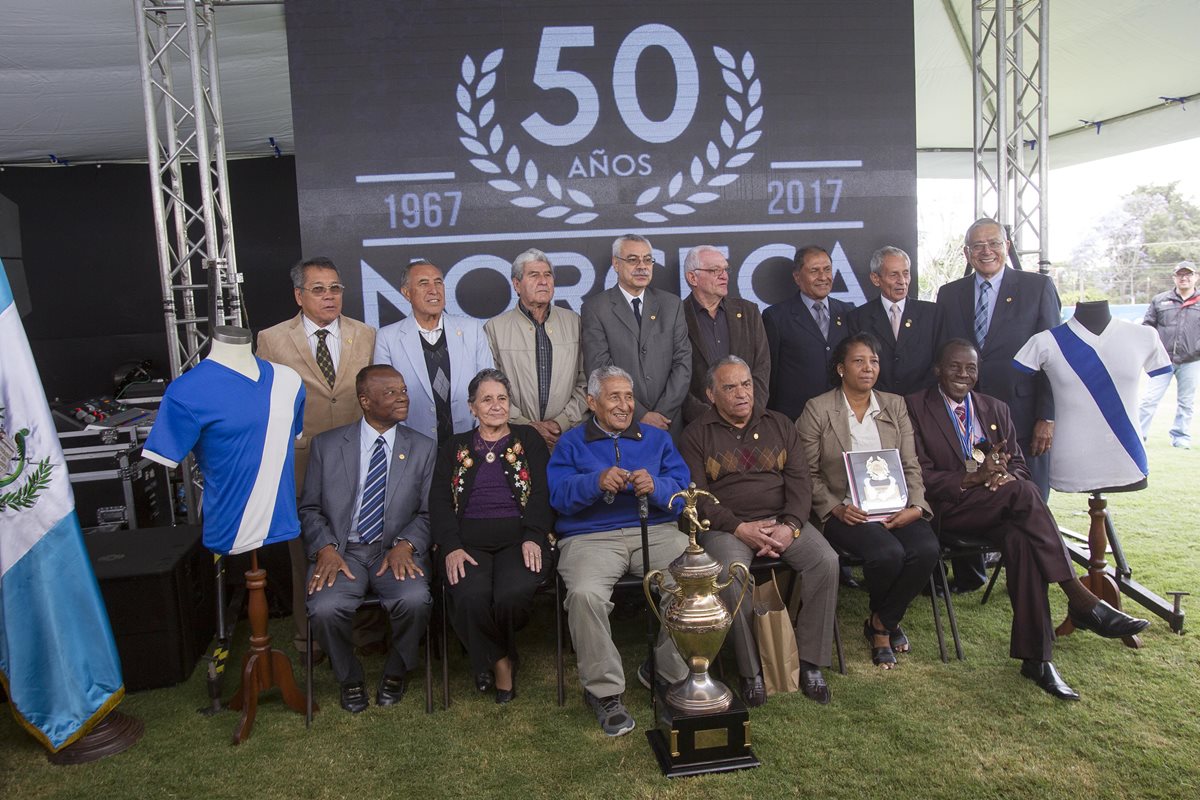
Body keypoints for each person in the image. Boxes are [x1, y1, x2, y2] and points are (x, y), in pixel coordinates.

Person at [907, 340, 1150, 700]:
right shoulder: (914, 408)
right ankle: (1081, 600)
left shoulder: (995, 409)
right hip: (951, 510)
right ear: (938, 370)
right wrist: (974, 478)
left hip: (1001, 505)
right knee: (1025, 495)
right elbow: (917, 474)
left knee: (1023, 534)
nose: (963, 374)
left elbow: (1019, 464)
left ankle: (1037, 659)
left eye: (971, 368)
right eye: (955, 367)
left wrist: (1006, 477)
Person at [678, 356, 839, 705]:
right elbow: (699, 499)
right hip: (728, 528)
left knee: (825, 560)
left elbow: (801, 485)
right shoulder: (695, 435)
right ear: (711, 394)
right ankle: (750, 672)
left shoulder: (780, 424)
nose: (742, 393)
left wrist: (791, 526)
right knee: (731, 573)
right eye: (730, 387)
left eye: (746, 384)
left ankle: (811, 664)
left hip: (782, 520)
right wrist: (739, 527)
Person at [547, 366, 690, 737]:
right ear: (592, 401)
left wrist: (656, 486)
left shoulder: (657, 440)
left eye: (629, 396)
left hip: (654, 529)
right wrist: (593, 482)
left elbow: (681, 494)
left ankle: (666, 672)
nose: (625, 405)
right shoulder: (572, 442)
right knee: (584, 595)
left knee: (693, 584)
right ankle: (605, 692)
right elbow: (558, 496)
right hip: (589, 537)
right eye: (615, 396)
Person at [255, 256, 378, 660]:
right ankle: (307, 639)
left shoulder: (365, 334)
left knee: (358, 542)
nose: (329, 296)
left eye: (336, 288)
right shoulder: (271, 339)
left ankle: (362, 632)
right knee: (305, 552)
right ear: (299, 294)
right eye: (319, 289)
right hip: (302, 463)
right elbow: (266, 406)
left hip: (358, 459)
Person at [300, 365, 437, 713]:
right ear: (365, 400)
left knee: (415, 600)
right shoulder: (327, 446)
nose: (403, 396)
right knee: (325, 608)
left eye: (403, 389)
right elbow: (310, 508)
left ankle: (396, 671)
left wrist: (406, 544)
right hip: (343, 552)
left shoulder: (423, 448)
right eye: (390, 392)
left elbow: (429, 512)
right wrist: (326, 549)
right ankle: (349, 678)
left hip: (395, 551)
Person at [796, 333, 938, 669]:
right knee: (887, 553)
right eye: (859, 361)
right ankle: (884, 631)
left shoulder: (894, 404)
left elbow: (910, 464)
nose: (868, 368)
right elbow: (806, 472)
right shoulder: (818, 408)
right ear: (841, 368)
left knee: (927, 549)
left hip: (895, 505)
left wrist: (916, 507)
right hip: (846, 510)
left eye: (873, 361)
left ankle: (881, 621)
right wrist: (835, 508)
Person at [935, 218, 1060, 591]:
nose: (986, 251)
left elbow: (1054, 358)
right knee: (970, 484)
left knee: (1026, 490)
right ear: (966, 253)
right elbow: (944, 355)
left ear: (1007, 245)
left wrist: (1047, 416)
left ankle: (1033, 573)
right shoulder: (950, 293)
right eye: (977, 245)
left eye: (993, 243)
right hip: (965, 412)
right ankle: (970, 574)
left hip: (1021, 413)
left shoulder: (1037, 288)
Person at [430, 368, 552, 704]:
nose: (496, 406)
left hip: (520, 539)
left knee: (512, 594)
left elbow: (542, 492)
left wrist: (533, 535)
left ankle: (485, 656)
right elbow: (439, 500)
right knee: (470, 595)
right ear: (472, 407)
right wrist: (451, 546)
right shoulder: (454, 446)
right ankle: (501, 662)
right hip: (466, 543)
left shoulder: (528, 440)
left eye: (502, 398)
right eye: (487, 399)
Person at [374, 259, 494, 445]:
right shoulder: (387, 338)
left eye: (438, 282)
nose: (434, 290)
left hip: (470, 443)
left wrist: (481, 438)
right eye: (424, 283)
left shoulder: (472, 330)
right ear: (406, 293)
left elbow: (489, 388)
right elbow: (385, 400)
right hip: (413, 447)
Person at [581, 234, 691, 437]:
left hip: (668, 423)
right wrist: (641, 414)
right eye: (633, 260)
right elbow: (599, 370)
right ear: (616, 264)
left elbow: (682, 363)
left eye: (647, 260)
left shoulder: (672, 304)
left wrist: (661, 413)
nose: (642, 266)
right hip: (622, 424)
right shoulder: (595, 308)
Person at [484, 248, 587, 450]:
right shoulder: (494, 328)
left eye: (547, 275)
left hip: (566, 439)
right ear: (516, 284)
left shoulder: (575, 322)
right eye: (534, 275)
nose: (543, 281)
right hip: (513, 439)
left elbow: (586, 381)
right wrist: (527, 426)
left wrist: (561, 423)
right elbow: (489, 389)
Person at [681, 245, 771, 424]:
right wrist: (707, 418)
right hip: (700, 426)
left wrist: (750, 411)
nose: (724, 276)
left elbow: (762, 366)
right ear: (692, 277)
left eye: (725, 269)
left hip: (748, 422)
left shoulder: (748, 312)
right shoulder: (676, 316)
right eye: (715, 270)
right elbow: (675, 377)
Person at [763, 245, 854, 422]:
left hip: (842, 416)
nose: (823, 277)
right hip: (796, 418)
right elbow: (770, 374)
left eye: (827, 269)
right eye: (814, 271)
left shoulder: (849, 312)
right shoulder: (776, 317)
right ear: (797, 277)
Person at [847, 246, 941, 395]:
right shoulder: (858, 318)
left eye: (906, 273)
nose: (902, 281)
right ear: (876, 279)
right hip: (877, 404)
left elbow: (940, 361)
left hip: (923, 403)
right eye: (894, 275)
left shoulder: (932, 314)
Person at [1138, 260, 1200, 449]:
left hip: (1191, 360)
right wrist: (1152, 351)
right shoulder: (1160, 300)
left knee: (1186, 402)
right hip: (1162, 360)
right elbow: (1147, 327)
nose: (1184, 278)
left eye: (1188, 274)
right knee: (1149, 400)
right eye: (1180, 274)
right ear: (1174, 277)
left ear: (1196, 277)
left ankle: (1181, 438)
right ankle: (1139, 436)